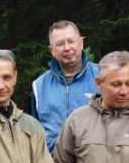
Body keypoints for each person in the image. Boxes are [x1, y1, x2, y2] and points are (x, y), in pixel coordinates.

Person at [30, 20, 99, 153]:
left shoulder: (103, 77)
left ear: (81, 43)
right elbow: (34, 133)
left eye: (71, 41)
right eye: (60, 44)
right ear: (52, 50)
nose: (67, 48)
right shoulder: (39, 86)